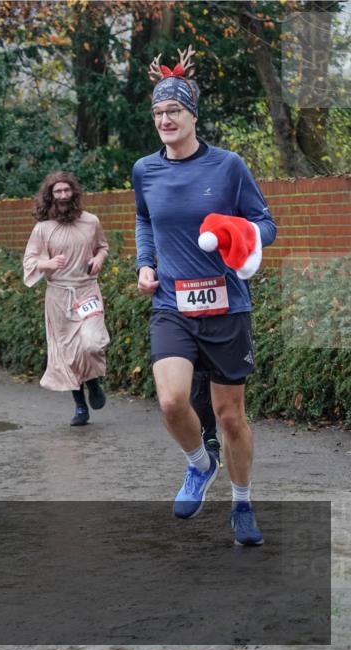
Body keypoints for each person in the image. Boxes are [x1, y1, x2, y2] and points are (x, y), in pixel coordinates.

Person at [134, 46, 276, 545]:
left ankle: (242, 504)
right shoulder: (144, 170)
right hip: (172, 303)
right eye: (157, 112)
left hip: (226, 305)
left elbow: (266, 225)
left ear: (193, 114)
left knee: (230, 415)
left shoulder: (229, 166)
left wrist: (239, 237)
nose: (165, 119)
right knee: (172, 402)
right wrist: (145, 263)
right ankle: (200, 463)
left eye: (174, 110)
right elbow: (145, 220)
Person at [23, 172, 110, 426]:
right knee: (69, 353)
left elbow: (102, 246)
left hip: (87, 291)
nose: (62, 196)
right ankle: (81, 405)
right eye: (57, 192)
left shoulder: (91, 221)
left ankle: (93, 382)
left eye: (66, 191)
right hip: (59, 296)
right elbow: (29, 261)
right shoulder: (43, 228)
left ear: (74, 193)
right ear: (50, 196)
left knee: (91, 343)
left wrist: (99, 259)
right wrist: (47, 263)